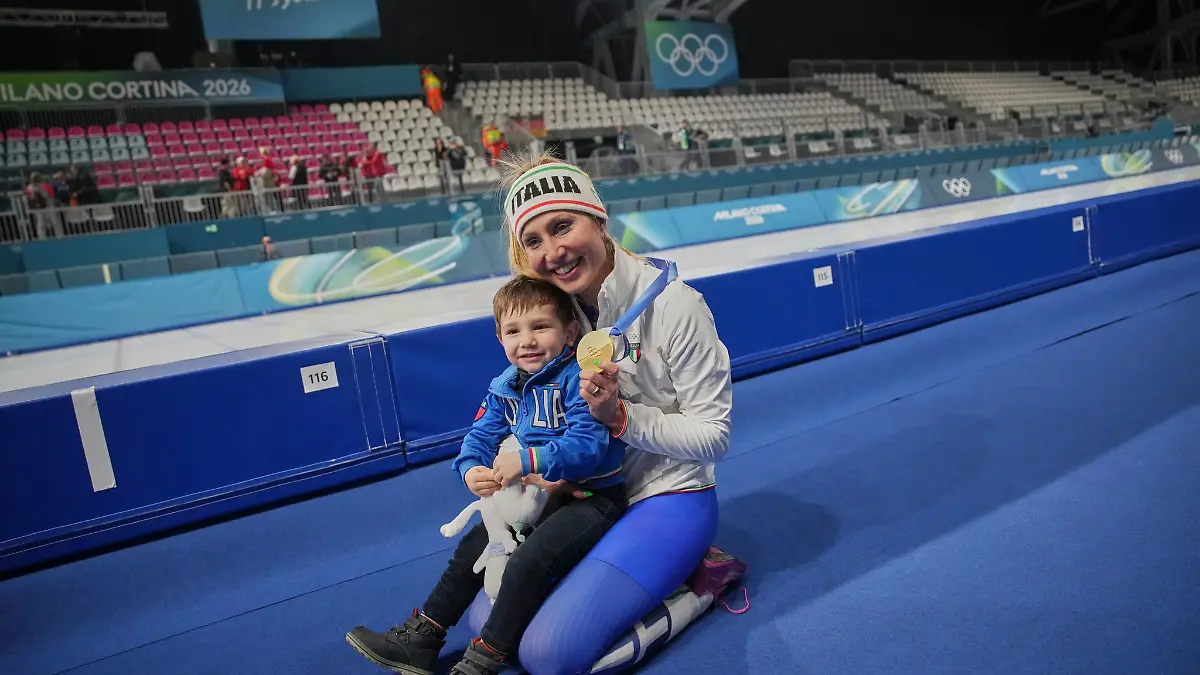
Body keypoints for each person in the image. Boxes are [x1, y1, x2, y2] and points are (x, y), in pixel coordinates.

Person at [347, 152, 742, 675]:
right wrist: (516, 465)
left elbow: (715, 436)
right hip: (585, 490)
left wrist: (621, 420)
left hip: (668, 494)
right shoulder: (560, 311)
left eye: (563, 226)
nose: (553, 251)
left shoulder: (675, 307)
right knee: (489, 614)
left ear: (598, 220)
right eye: (533, 241)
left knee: (547, 654)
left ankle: (702, 586)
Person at [347, 275, 629, 675]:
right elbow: (478, 438)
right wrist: (470, 471)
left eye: (540, 327)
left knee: (530, 560)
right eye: (513, 331)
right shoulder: (505, 387)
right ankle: (422, 637)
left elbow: (589, 448)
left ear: (569, 334)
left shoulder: (578, 380)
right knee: (472, 547)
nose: (526, 340)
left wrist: (529, 461)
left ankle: (483, 661)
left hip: (592, 498)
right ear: (500, 339)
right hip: (535, 501)